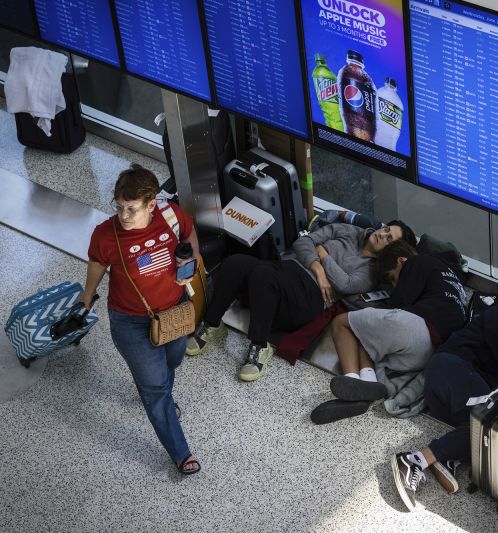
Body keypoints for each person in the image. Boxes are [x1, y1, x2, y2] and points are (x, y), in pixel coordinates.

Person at [81, 164, 202, 475]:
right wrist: (87, 295)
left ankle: (159, 395)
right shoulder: (106, 234)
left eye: (132, 209)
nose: (124, 215)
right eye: (120, 207)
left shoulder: (170, 215)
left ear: (151, 204)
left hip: (173, 311)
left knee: (173, 360)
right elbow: (97, 263)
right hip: (130, 321)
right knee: (156, 386)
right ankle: (180, 453)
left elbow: (189, 232)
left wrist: (193, 258)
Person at [187, 220, 416, 382]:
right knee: (236, 262)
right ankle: (212, 324)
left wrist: (323, 254)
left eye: (389, 238)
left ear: (392, 249)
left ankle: (259, 346)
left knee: (262, 275)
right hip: (288, 268)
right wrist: (318, 268)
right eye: (385, 229)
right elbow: (304, 242)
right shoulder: (349, 230)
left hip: (309, 298)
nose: (382, 234)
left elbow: (346, 284)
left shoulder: (372, 271)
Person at [390, 299, 498, 511]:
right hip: (453, 367)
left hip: (456, 390)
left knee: (491, 435)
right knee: (485, 430)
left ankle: (447, 455)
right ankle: (412, 461)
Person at [310, 240, 469, 424]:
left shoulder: (417, 262)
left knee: (340, 323)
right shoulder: (454, 281)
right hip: (428, 354)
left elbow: (398, 302)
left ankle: (352, 378)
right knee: (367, 336)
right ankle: (366, 387)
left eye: (393, 278)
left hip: (415, 327)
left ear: (401, 260)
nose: (394, 284)